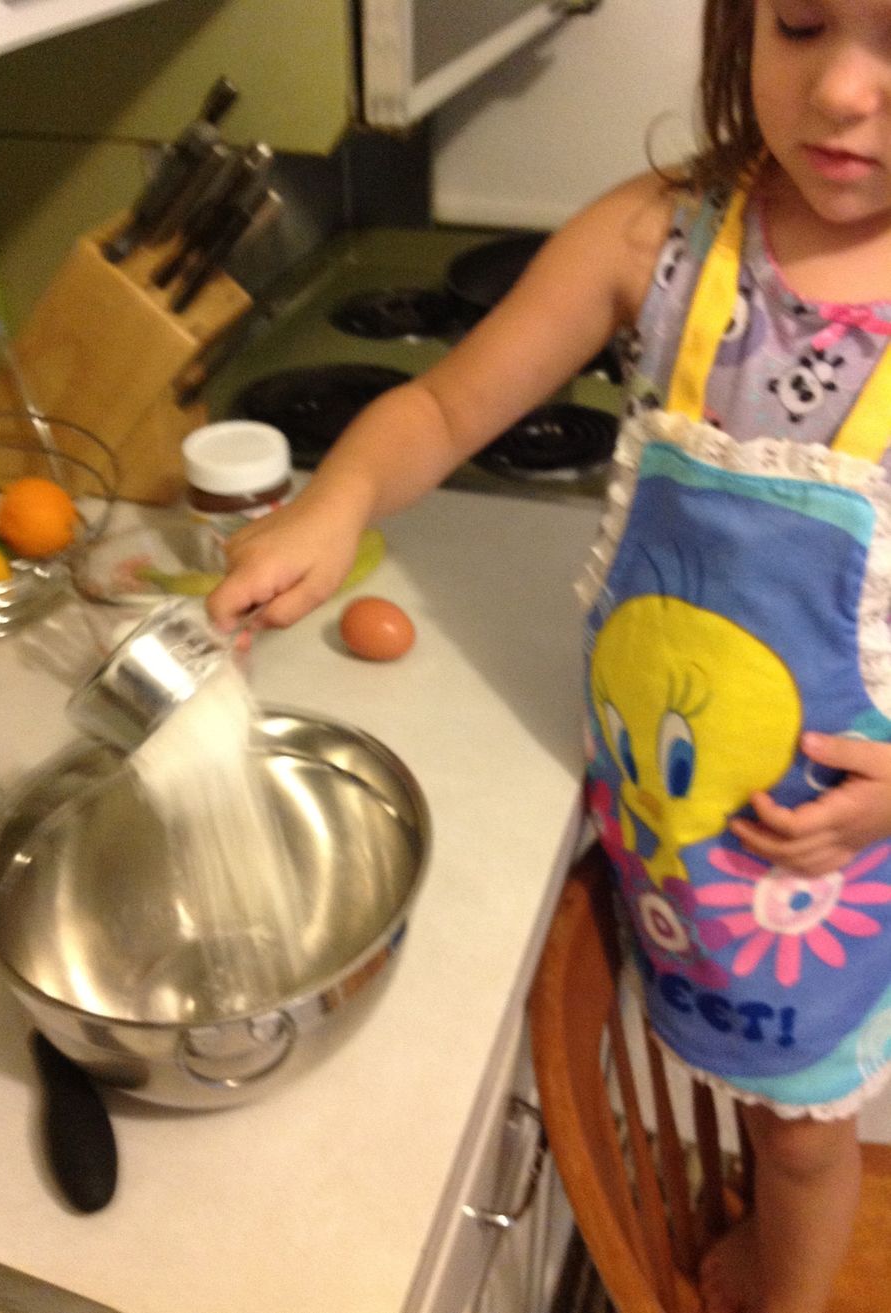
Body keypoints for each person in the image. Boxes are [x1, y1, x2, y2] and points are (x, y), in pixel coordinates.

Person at [208, 3, 891, 1310]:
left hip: (830, 862)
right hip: (661, 809)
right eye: (803, 23)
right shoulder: (657, 236)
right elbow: (442, 404)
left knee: (804, 1140)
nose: (843, 92)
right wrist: (337, 499)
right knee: (716, 1073)